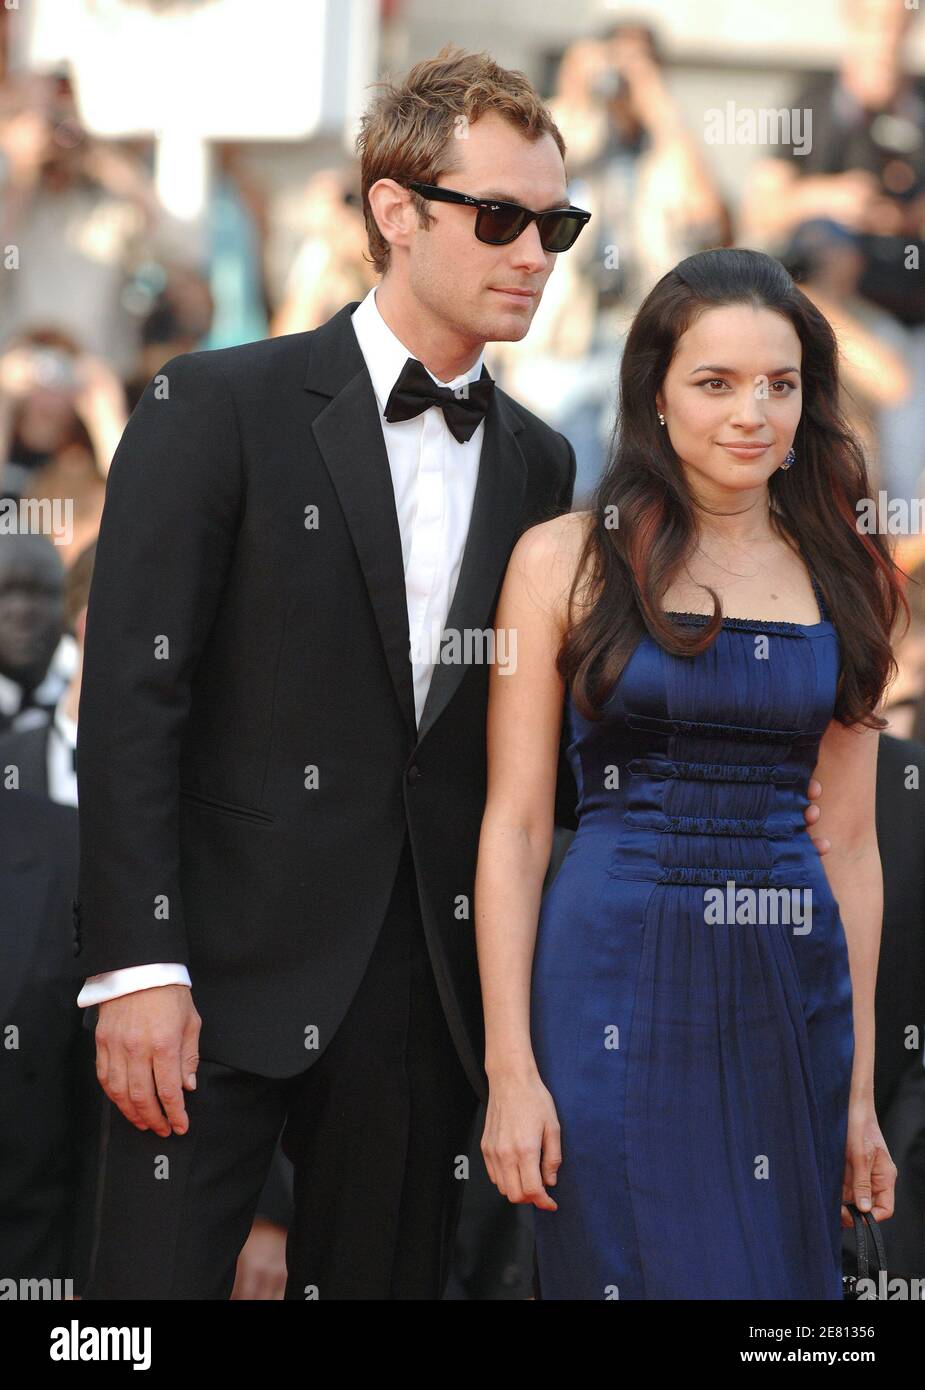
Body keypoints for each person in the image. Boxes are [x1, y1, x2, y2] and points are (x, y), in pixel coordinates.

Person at [73, 44, 588, 1302]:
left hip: (417, 999)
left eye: (557, 224)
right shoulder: (214, 405)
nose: (535, 254)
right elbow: (134, 699)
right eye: (502, 218)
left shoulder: (540, 465)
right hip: (209, 978)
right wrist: (140, 965)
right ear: (393, 211)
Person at [476, 246, 901, 1299]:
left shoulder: (845, 576)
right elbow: (517, 826)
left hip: (783, 990)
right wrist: (510, 1068)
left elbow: (847, 841)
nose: (752, 411)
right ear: (654, 397)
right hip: (608, 978)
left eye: (780, 383)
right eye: (715, 382)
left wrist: (857, 1096)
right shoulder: (562, 562)